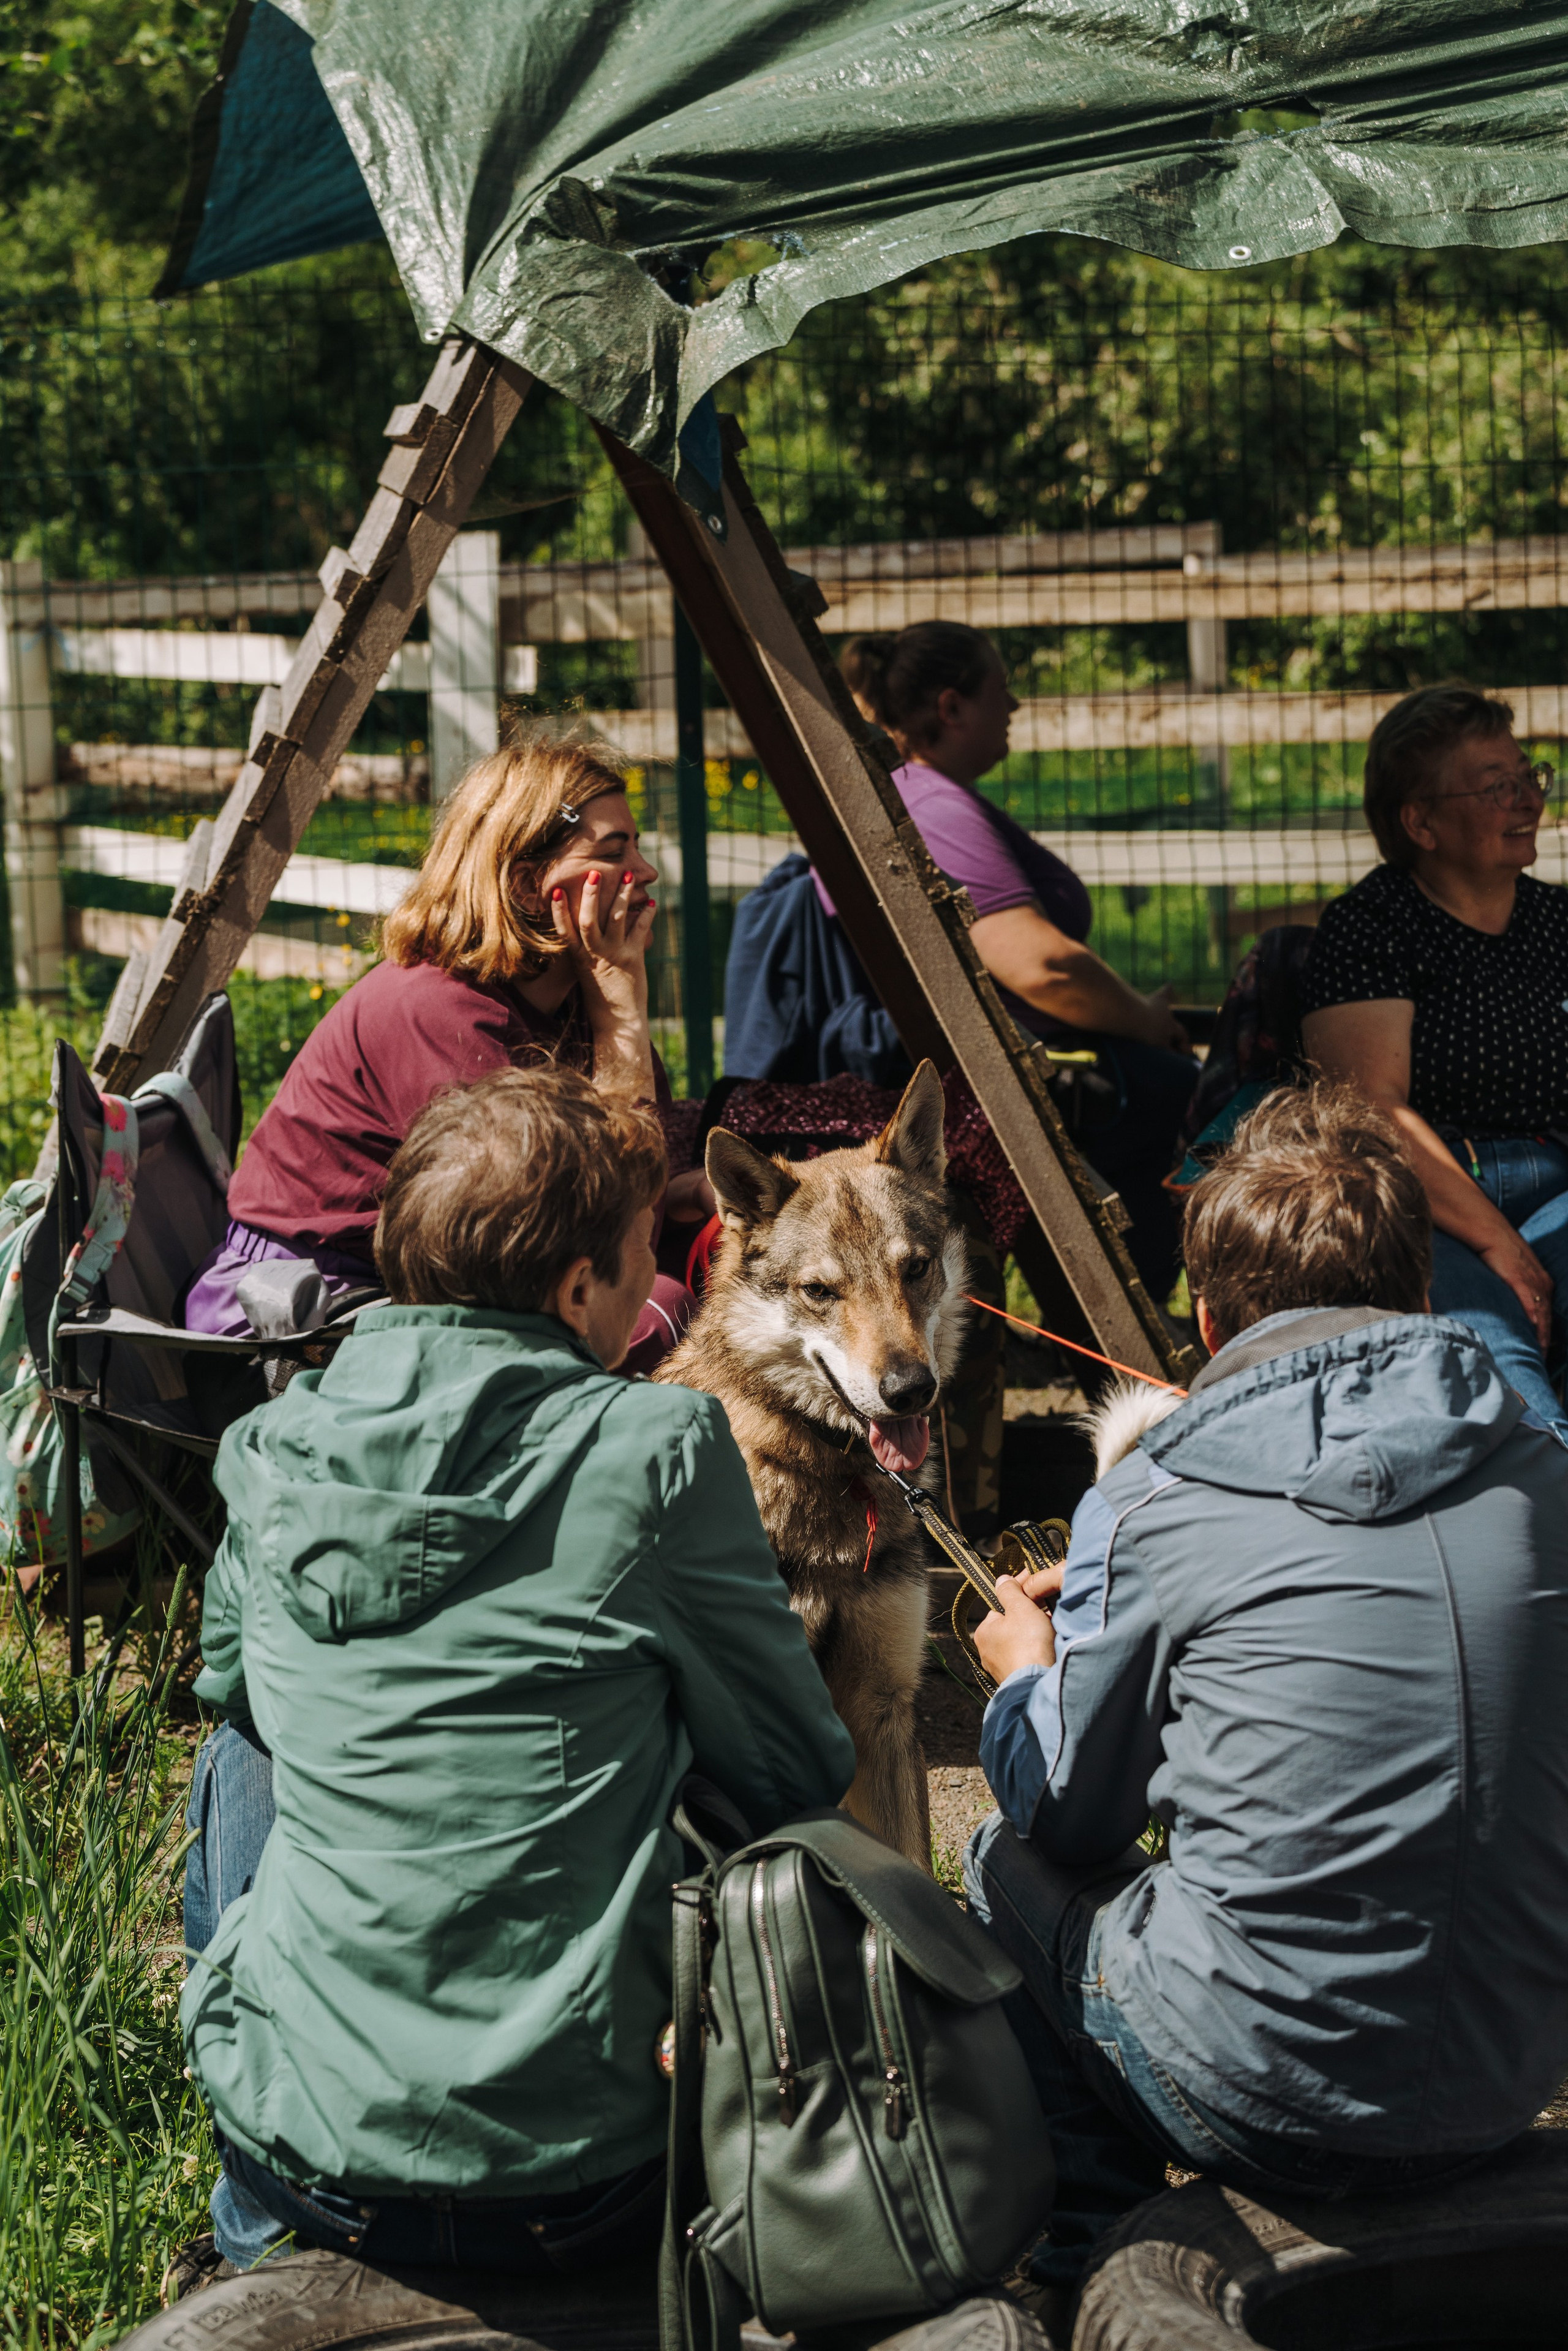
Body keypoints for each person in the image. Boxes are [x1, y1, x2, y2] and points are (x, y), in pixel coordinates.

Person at [178, 1064, 854, 2279]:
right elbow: (794, 1764)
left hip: (307, 2147)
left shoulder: (270, 1444)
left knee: (243, 1744)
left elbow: (235, 1698)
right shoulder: (654, 1442)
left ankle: (247, 2239)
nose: (658, 1286)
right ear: (578, 1283)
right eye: (650, 1253)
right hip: (583, 2172)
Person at [962, 1084, 1568, 2322]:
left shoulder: (1151, 1499)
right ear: (1416, 1290)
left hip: (1263, 2095)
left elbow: (1069, 1812)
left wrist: (1028, 1666)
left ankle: (1087, 2261)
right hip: (1508, 2071)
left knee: (992, 1857)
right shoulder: (1538, 1465)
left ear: (1200, 1311)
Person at [183, 736, 711, 1373]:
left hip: (425, 1285)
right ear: (526, 884)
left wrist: (675, 1191)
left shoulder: (567, 996)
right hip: (297, 1311)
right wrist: (622, 1010)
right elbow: (588, 1250)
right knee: (656, 1311)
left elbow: (620, 1206)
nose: (646, 872)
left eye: (637, 845)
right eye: (613, 851)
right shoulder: (438, 1010)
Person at [832, 624, 1196, 1299]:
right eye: (1003, 690)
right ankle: (1146, 1306)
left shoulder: (921, 795)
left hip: (1005, 1058)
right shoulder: (930, 803)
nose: (1015, 707)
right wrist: (1143, 1020)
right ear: (952, 707)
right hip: (1006, 1077)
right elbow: (1039, 965)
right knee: (1189, 1096)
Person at [1300, 684, 1568, 1444]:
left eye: (1529, 777)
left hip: (1558, 1183)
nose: (1526, 799)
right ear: (1420, 822)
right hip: (1424, 1195)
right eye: (1496, 786)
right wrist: (1500, 1244)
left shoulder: (1558, 922)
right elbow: (1370, 1112)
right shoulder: (1370, 928)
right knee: (1489, 1342)